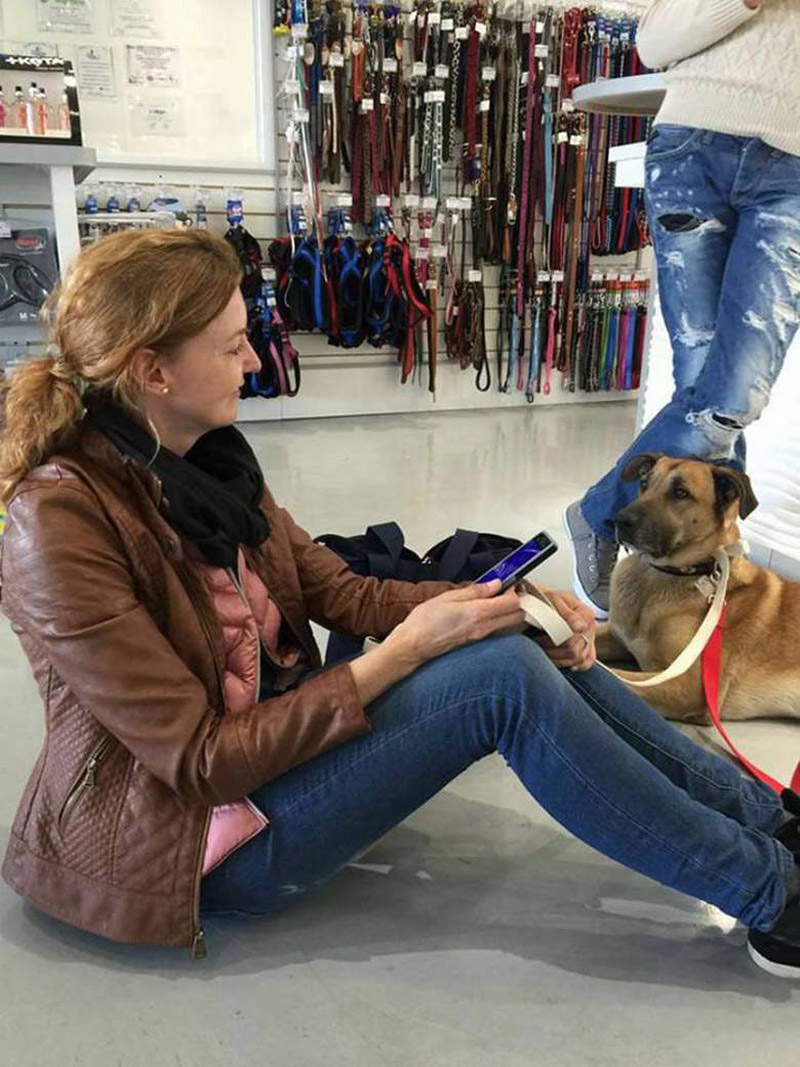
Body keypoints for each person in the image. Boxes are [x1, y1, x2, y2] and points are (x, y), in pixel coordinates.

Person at [1, 228, 799, 979]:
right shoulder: (59, 523)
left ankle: (769, 820)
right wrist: (407, 650)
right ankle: (775, 898)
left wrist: (509, 599)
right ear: (152, 371)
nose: (253, 358)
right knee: (500, 682)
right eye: (231, 344)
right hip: (196, 844)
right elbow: (203, 761)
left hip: (276, 745)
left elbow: (342, 590)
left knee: (513, 635)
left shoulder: (203, 462)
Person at [565, 0, 800, 617]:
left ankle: (598, 512)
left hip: (796, 172)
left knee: (732, 395)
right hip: (693, 148)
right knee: (703, 386)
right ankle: (706, 565)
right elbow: (653, 45)